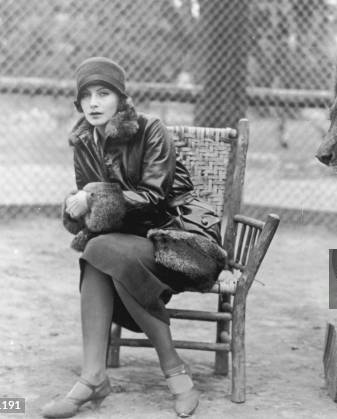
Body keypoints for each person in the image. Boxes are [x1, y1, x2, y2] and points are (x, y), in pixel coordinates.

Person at [42, 57, 216, 418]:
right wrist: (81, 205)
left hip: (176, 237)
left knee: (102, 251)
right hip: (124, 243)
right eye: (86, 96)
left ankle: (108, 377)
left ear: (121, 99)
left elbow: (155, 197)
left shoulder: (151, 129)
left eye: (103, 93)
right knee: (99, 249)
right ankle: (114, 375)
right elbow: (96, 215)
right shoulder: (84, 142)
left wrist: (92, 197)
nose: (93, 103)